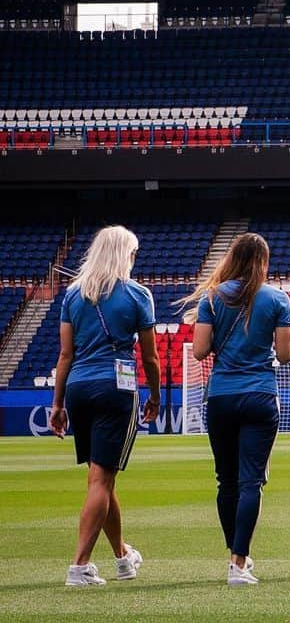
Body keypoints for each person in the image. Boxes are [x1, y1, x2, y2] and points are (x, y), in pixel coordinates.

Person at [49, 224, 159, 587]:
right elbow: (151, 356)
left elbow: (65, 354)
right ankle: (79, 565)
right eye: (132, 252)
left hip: (79, 385)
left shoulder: (73, 294)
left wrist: (57, 403)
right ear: (124, 254)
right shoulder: (137, 294)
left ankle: (122, 557)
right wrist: (156, 396)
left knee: (100, 479)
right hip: (116, 386)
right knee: (102, 479)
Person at [183, 232, 290, 586]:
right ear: (263, 261)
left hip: (221, 396)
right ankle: (238, 562)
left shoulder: (212, 298)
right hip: (259, 394)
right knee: (250, 483)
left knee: (225, 480)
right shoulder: (277, 298)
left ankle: (235, 555)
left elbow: (199, 351)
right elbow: (285, 355)